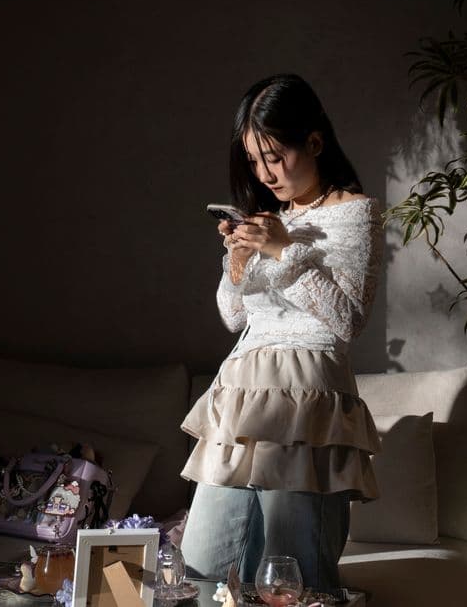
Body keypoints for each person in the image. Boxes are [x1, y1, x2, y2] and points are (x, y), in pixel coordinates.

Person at [178, 73, 383, 594]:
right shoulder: (272, 218)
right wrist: (237, 261)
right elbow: (233, 317)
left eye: (273, 156)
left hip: (305, 396)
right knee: (204, 562)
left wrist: (283, 251)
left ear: (314, 142)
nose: (264, 173)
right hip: (240, 394)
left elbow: (347, 319)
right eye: (253, 160)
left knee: (294, 573)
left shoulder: (354, 213)